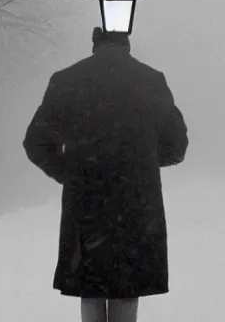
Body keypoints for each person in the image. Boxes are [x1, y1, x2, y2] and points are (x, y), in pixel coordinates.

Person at [23, 27, 188, 322]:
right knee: (127, 288)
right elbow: (177, 146)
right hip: (138, 205)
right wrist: (139, 163)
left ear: (94, 44)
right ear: (126, 41)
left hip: (85, 204)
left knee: (91, 287)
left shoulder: (66, 82)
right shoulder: (151, 81)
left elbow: (36, 143)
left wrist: (71, 172)